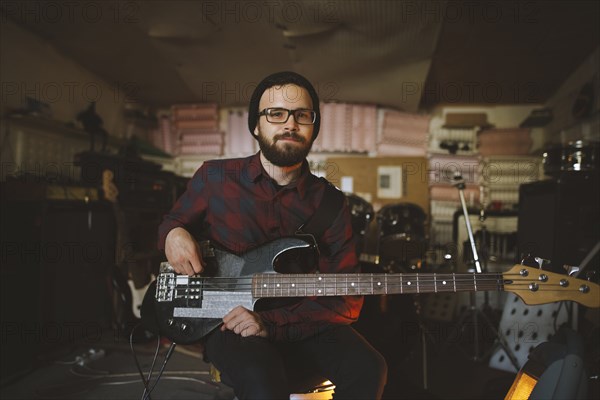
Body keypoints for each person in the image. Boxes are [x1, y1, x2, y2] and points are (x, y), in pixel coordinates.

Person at [157, 71, 387, 399]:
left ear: (313, 127)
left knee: (369, 368)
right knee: (262, 380)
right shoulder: (215, 177)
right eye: (276, 114)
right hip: (230, 319)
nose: (289, 124)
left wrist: (274, 323)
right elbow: (173, 221)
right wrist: (173, 234)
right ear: (256, 125)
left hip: (303, 318)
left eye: (302, 116)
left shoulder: (332, 204)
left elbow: (348, 298)